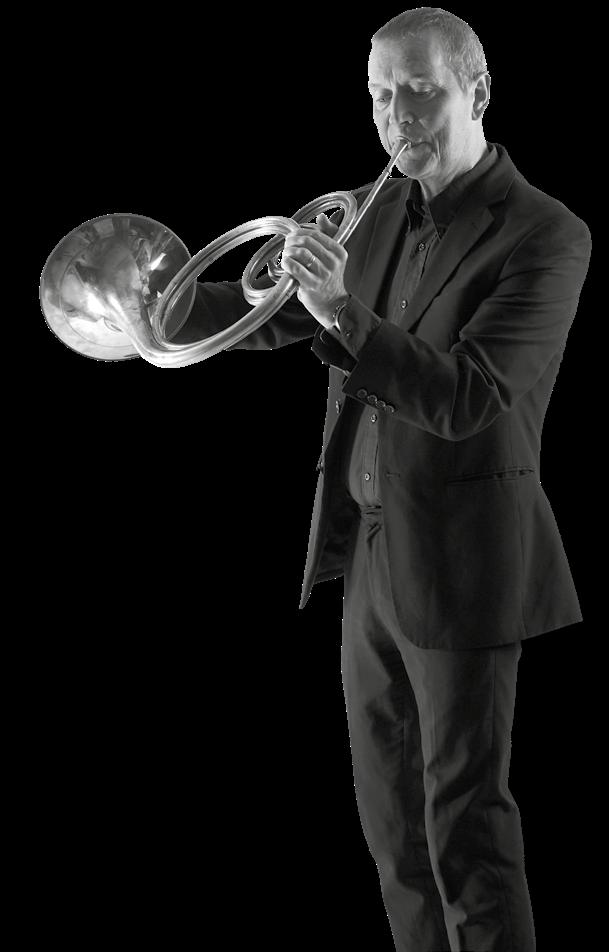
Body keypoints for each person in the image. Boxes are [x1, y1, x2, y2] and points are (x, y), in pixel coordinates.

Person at [173, 8, 591, 951]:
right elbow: (270, 315)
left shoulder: (545, 234)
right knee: (392, 830)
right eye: (378, 94)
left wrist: (343, 313)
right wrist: (154, 311)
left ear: (477, 91)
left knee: (464, 827)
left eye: (420, 91)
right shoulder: (374, 208)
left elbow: (468, 396)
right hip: (367, 554)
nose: (396, 116)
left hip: (465, 561)